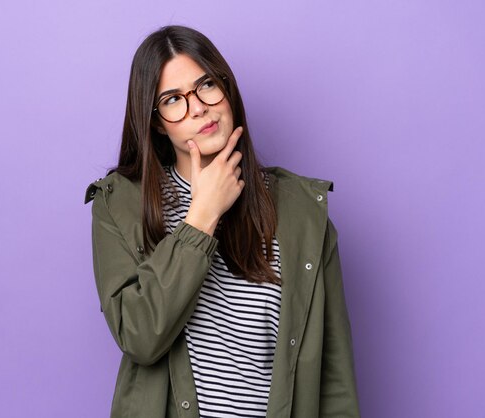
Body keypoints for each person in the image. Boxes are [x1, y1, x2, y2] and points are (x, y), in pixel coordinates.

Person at [85, 25, 361, 418]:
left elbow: (334, 380)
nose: (197, 107)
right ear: (158, 122)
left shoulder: (304, 211)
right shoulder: (119, 204)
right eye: (173, 99)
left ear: (227, 89)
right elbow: (140, 336)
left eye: (207, 85)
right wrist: (202, 217)